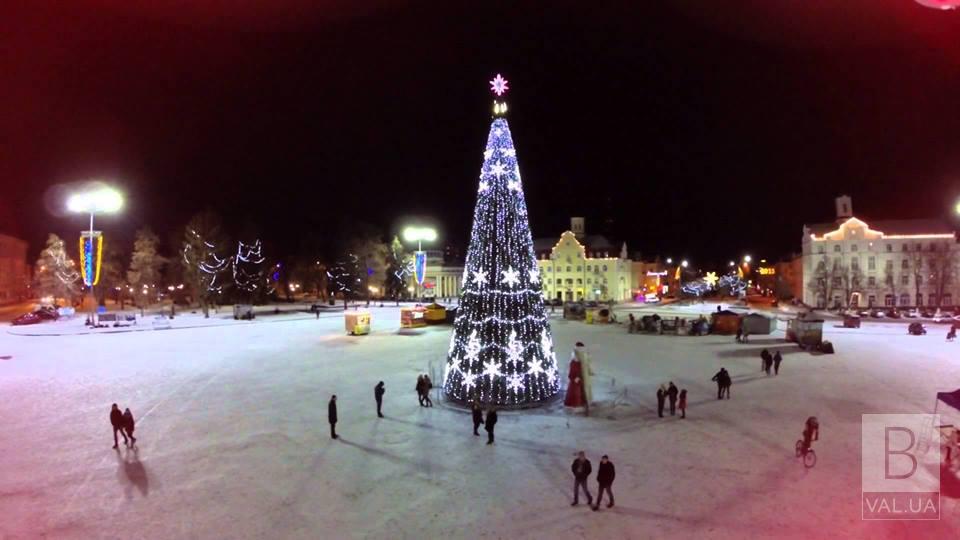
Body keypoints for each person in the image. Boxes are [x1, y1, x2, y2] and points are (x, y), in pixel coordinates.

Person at [575, 343, 595, 415]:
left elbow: (588, 363)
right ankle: (586, 404)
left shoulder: (578, 354)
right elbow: (588, 364)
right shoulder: (582, 354)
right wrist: (591, 371)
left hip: (581, 376)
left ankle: (585, 403)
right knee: (585, 389)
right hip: (583, 376)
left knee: (584, 389)